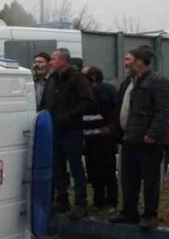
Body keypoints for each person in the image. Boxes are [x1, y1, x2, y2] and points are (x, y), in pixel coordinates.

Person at [111, 47, 169, 229]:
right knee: (128, 178)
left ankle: (150, 215)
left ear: (139, 61)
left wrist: (151, 134)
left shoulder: (158, 81)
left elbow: (164, 110)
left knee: (150, 180)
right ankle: (129, 212)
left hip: (149, 141)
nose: (125, 62)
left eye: (128, 59)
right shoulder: (128, 82)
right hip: (129, 138)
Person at [42, 48, 95, 218]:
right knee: (58, 167)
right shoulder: (52, 79)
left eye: (54, 59)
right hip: (54, 129)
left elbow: (88, 101)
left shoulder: (77, 79)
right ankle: (61, 199)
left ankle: (80, 203)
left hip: (71, 130)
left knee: (75, 167)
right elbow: (45, 101)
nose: (51, 62)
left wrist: (69, 116)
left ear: (64, 61)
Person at [81, 66, 119, 215]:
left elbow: (115, 111)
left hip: (104, 139)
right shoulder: (83, 91)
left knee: (108, 170)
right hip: (88, 137)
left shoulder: (107, 91)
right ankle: (98, 201)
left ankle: (111, 202)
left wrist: (110, 128)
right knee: (93, 171)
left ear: (93, 77)